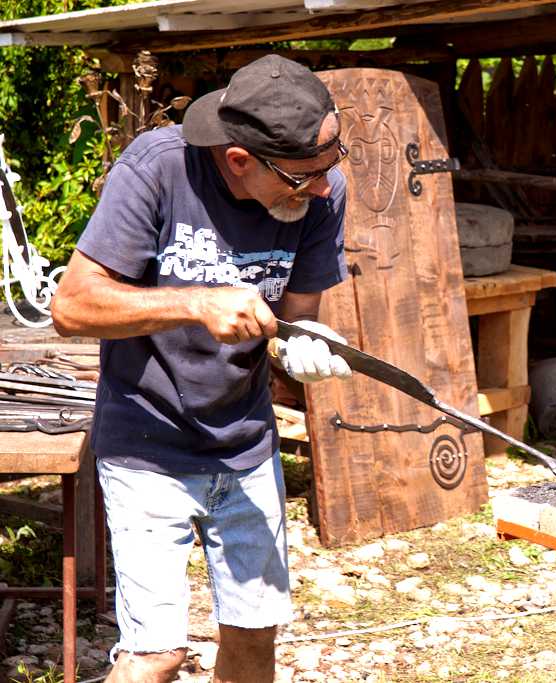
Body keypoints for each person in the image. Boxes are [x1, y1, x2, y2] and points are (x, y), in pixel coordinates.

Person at [51, 55, 352, 683]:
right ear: (240, 159)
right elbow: (71, 306)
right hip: (146, 440)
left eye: (331, 166)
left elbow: (292, 318)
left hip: (245, 443)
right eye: (304, 177)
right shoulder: (158, 169)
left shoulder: (321, 189)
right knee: (158, 654)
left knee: (252, 635)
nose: (323, 188)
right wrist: (193, 301)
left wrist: (301, 348)